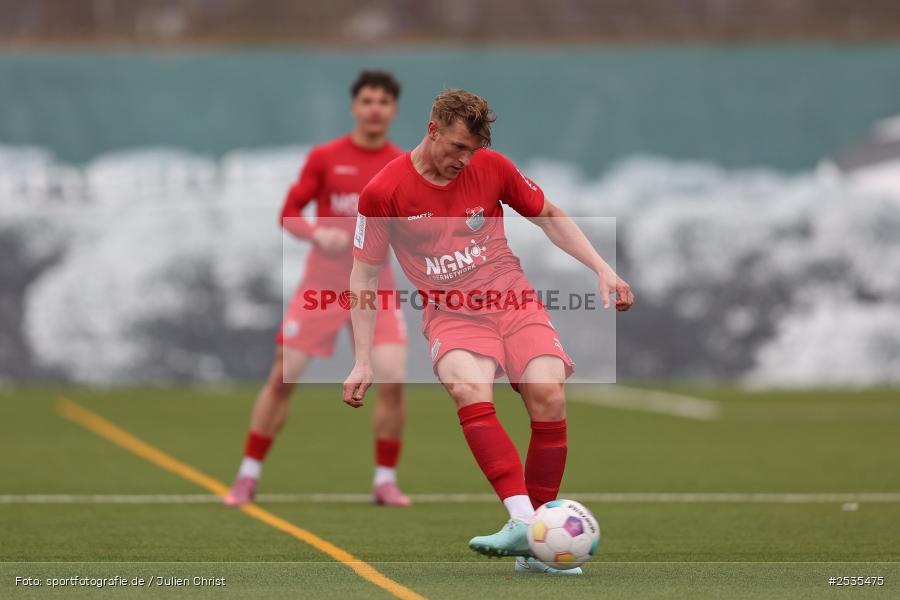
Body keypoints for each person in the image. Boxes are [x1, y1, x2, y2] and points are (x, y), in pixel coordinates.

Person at [342, 88, 634, 573]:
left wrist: (602, 268)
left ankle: (538, 549)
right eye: (458, 147)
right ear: (432, 129)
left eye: (473, 150)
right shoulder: (383, 193)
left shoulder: (493, 167)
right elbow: (364, 275)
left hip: (512, 301)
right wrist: (362, 358)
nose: (466, 159)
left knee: (549, 397)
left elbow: (551, 218)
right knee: (466, 387)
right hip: (451, 314)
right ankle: (523, 521)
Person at [225, 70, 412, 507]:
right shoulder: (326, 157)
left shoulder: (403, 165)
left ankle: (385, 480)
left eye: (383, 102)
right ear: (354, 107)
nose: (374, 109)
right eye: (367, 100)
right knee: (282, 378)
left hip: (375, 290)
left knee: (395, 380)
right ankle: (247, 476)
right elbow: (289, 212)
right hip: (322, 288)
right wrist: (315, 234)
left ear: (394, 110)